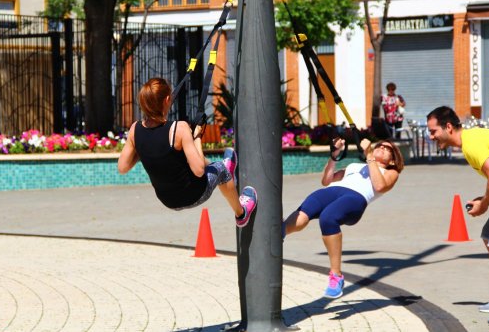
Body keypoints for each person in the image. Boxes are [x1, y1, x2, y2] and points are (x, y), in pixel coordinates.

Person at [427, 106, 489, 327]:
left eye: (433, 131)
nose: (431, 137)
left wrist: (484, 204)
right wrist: (484, 199)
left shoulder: (471, 144)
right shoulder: (472, 139)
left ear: (448, 127)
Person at [118, 77, 257, 227]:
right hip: (194, 194)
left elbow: (122, 167)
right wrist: (196, 136)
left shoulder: (135, 130)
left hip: (168, 200)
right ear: (167, 100)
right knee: (221, 170)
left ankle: (225, 171)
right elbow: (198, 171)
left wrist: (142, 148)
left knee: (211, 167)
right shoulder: (179, 129)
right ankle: (241, 213)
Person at [283, 137, 404, 299]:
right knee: (302, 215)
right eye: (380, 145)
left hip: (355, 198)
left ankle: (336, 276)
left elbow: (380, 186)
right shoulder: (355, 166)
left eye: (387, 149)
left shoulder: (391, 172)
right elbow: (326, 180)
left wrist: (369, 156)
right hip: (332, 191)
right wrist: (334, 155)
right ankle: (277, 234)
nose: (382, 148)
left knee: (328, 218)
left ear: (392, 159)